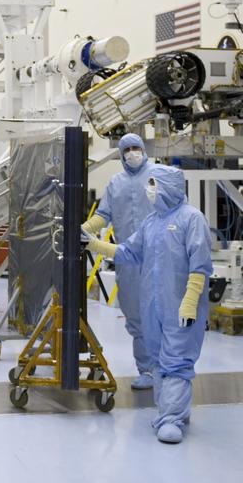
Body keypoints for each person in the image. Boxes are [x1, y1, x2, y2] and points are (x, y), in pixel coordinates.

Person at [88, 165, 213, 444]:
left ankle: (171, 418)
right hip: (154, 305)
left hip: (181, 305)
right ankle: (174, 409)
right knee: (157, 357)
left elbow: (200, 264)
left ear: (170, 186)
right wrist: (94, 245)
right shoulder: (152, 221)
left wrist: (190, 300)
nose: (150, 190)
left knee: (176, 359)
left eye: (154, 184)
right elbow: (128, 252)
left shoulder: (191, 219)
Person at [82, 133, 154, 390]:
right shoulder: (116, 183)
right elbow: (104, 214)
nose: (133, 153)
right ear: (121, 154)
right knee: (134, 314)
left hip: (160, 257)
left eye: (137, 148)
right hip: (128, 260)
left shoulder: (159, 175)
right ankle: (147, 370)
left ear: (144, 150)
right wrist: (84, 229)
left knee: (163, 313)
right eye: (128, 149)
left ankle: (168, 368)